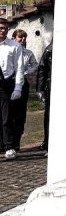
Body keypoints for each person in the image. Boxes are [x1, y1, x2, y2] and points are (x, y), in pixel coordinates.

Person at [8, 28, 38, 154]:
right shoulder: (10, 50)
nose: (23, 40)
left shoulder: (28, 53)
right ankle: (6, 142)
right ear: (14, 38)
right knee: (8, 114)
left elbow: (35, 65)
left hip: (22, 84)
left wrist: (25, 72)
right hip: (9, 84)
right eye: (21, 37)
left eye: (25, 37)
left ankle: (16, 143)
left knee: (20, 115)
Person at [0, 20, 26, 160]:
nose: (2, 31)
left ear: (8, 29)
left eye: (4, 28)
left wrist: (18, 87)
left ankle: (9, 146)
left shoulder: (15, 46)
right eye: (0, 28)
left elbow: (19, 68)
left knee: (7, 117)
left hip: (6, 84)